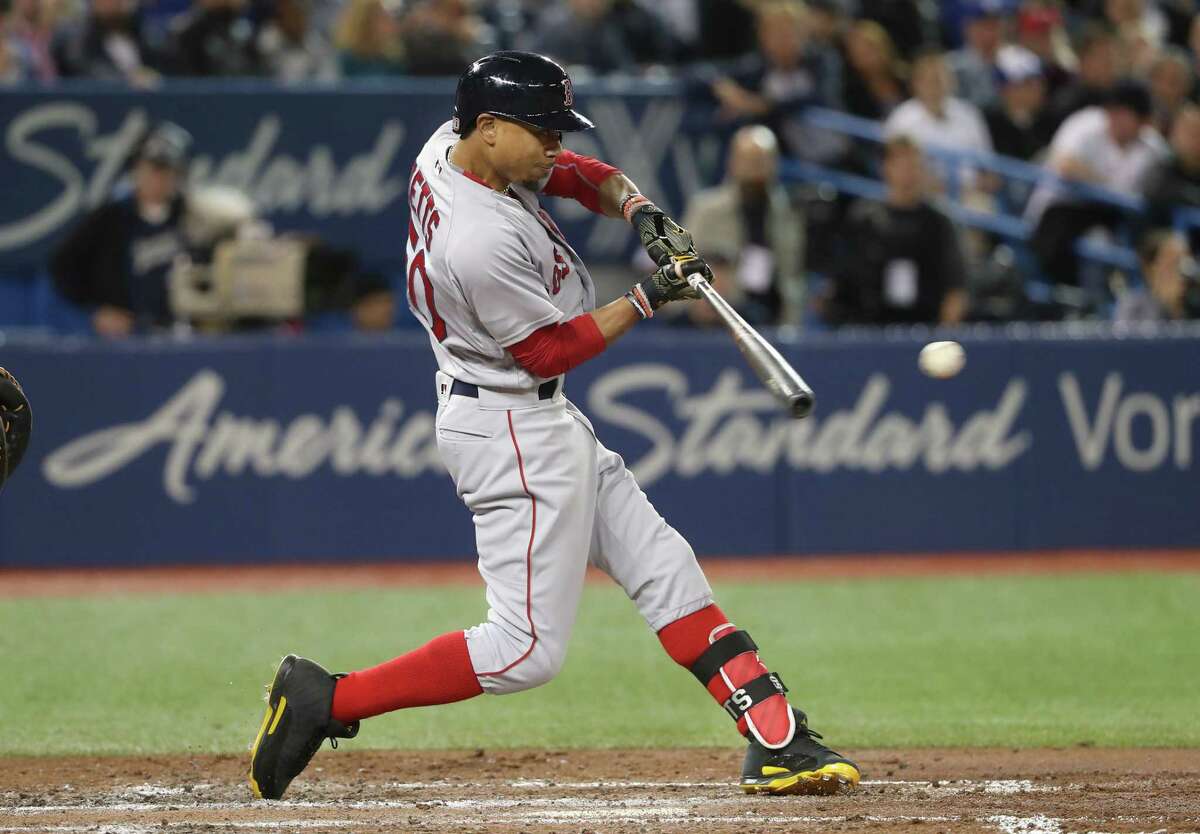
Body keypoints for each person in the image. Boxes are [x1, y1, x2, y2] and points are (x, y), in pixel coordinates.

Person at [248, 50, 860, 803]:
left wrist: (639, 210)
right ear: (491, 126)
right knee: (523, 652)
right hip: (511, 423)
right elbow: (549, 349)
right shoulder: (475, 240)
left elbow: (571, 172)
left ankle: (778, 737)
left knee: (665, 568)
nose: (551, 143)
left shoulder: (454, 143)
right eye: (538, 128)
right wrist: (649, 297)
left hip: (529, 416)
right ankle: (329, 700)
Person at [50, 122, 193, 337]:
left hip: (180, 332)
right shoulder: (111, 217)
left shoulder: (191, 215)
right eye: (152, 168)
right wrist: (97, 309)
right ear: (136, 169)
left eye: (167, 171)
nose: (158, 178)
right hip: (125, 338)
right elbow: (63, 266)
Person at [1029, 80, 1167, 287]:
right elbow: (1064, 164)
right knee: (1090, 242)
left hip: (1113, 216)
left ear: (1143, 121)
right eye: (1113, 110)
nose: (1116, 118)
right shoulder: (1087, 123)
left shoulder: (1152, 147)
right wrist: (1107, 188)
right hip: (1063, 206)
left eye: (1124, 113)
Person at [823, 135, 968, 326]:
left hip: (925, 328)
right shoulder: (865, 218)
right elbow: (843, 279)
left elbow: (956, 287)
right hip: (870, 330)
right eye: (903, 166)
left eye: (915, 166)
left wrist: (943, 334)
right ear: (886, 168)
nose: (910, 174)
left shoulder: (939, 222)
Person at [682, 124, 805, 324]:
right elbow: (680, 265)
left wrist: (791, 321)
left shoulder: (788, 212)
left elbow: (792, 274)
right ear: (732, 161)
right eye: (747, 160)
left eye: (760, 160)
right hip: (720, 313)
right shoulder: (707, 209)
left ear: (774, 163)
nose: (753, 168)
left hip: (771, 317)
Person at [1143, 104, 1200, 250]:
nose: (1195, 141)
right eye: (1190, 133)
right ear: (1175, 133)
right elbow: (1154, 193)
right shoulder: (1162, 166)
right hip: (1159, 245)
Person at [983, 45, 1054, 161]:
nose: (1038, 88)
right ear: (1005, 88)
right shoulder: (988, 123)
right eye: (1027, 83)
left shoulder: (1049, 120)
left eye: (1039, 81)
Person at [1114, 230, 1200, 323]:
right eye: (1172, 263)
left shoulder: (1194, 305)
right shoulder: (1133, 306)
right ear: (1149, 268)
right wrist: (1165, 304)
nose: (1182, 271)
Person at [332, 0, 404, 77]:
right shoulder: (344, 60)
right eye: (381, 18)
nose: (390, 25)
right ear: (364, 24)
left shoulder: (394, 59)